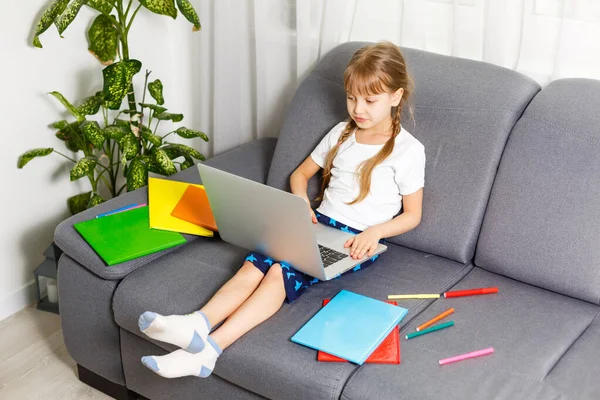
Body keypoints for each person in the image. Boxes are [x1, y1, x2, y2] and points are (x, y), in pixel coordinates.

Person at [138, 41, 426, 379]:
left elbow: (412, 215)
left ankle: (210, 350)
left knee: (278, 271)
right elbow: (300, 175)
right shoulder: (342, 133)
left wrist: (375, 232)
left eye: (369, 100)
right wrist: (301, 200)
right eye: (351, 97)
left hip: (356, 241)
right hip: (318, 226)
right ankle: (195, 324)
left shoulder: (408, 151)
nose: (357, 108)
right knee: (256, 261)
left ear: (396, 96)